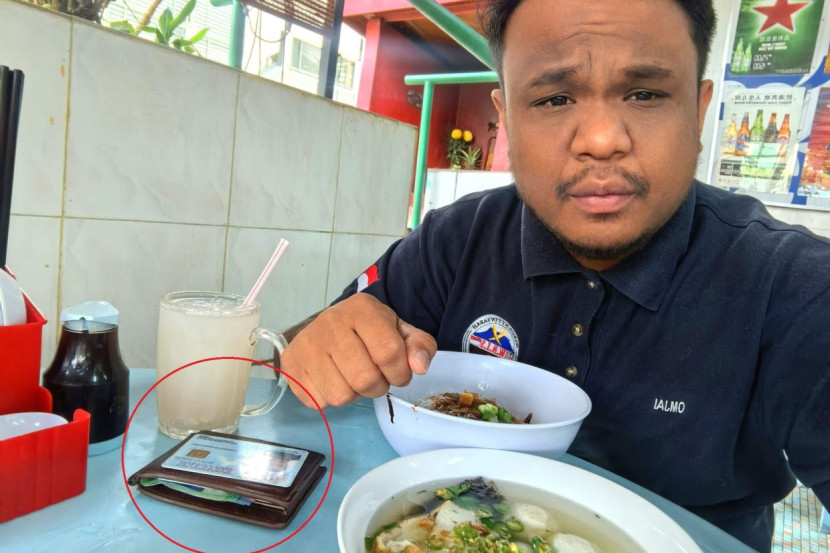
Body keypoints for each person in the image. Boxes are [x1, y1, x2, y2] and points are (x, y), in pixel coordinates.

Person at [279, 1, 830, 551]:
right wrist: (321, 344)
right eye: (554, 98)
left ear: (699, 110)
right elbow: (307, 357)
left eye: (645, 94)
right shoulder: (454, 241)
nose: (601, 139)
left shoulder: (792, 288)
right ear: (507, 118)